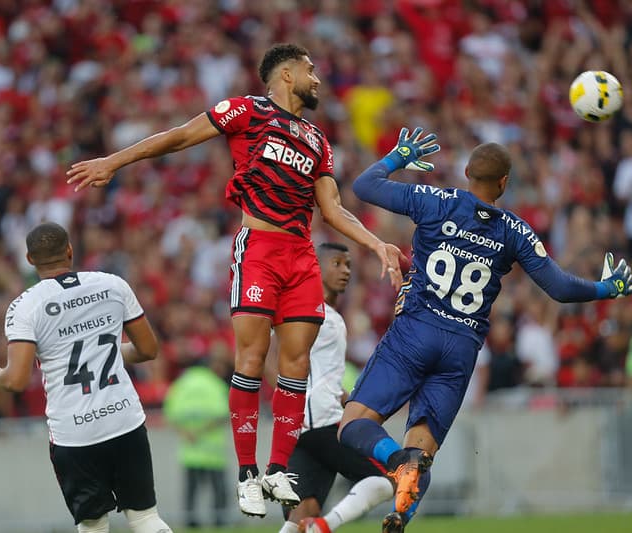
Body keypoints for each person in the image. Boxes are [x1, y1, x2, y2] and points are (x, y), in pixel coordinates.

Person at [67, 42, 404, 518]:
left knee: (296, 364)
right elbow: (180, 136)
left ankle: (277, 469)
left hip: (301, 254)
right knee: (250, 354)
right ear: (285, 74)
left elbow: (331, 209)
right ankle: (247, 475)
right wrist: (113, 162)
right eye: (310, 70)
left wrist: (375, 243)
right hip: (260, 248)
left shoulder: (317, 139)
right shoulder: (246, 110)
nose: (317, 79)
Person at [340, 129, 632, 533]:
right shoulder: (515, 230)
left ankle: (394, 463)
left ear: (466, 172)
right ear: (504, 182)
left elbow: (364, 185)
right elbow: (561, 289)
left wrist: (398, 157)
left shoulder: (436, 200)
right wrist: (607, 287)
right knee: (422, 448)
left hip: (416, 330)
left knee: (353, 423)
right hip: (460, 348)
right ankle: (399, 516)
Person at [0, 222, 173, 533]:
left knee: (93, 527)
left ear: (29, 259)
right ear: (69, 250)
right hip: (124, 420)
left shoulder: (25, 306)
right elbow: (148, 349)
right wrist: (99, 347)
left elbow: (15, 380)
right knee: (146, 518)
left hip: (75, 433)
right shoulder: (112, 285)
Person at [277, 242, 393, 533]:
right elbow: (272, 355)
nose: (345, 271)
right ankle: (326, 526)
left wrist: (342, 396)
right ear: (315, 268)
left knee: (302, 514)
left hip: (303, 426)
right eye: (337, 263)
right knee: (386, 478)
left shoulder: (331, 316)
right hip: (319, 421)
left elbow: (319, 370)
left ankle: (316, 524)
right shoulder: (304, 309)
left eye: (349, 265)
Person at [162, 350, 231, 528]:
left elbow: (169, 414)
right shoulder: (215, 384)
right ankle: (219, 521)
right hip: (213, 451)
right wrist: (201, 431)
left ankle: (190, 521)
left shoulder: (180, 385)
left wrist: (187, 432)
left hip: (190, 450)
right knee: (218, 489)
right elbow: (223, 414)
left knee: (191, 490)